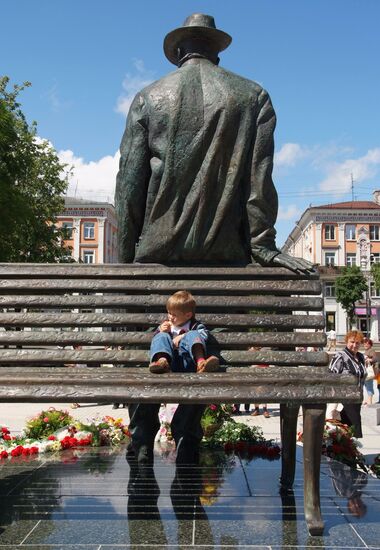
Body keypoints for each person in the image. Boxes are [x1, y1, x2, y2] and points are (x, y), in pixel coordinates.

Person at [115, 12, 314, 466]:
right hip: (226, 256)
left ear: (180, 51)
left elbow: (129, 184)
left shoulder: (149, 97)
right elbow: (259, 182)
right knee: (209, 346)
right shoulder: (253, 95)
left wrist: (127, 260)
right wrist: (262, 245)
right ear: (217, 50)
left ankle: (143, 431)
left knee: (145, 347)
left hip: (156, 254)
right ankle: (187, 429)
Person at [149, 290, 219, 374]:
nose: (170, 317)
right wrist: (160, 331)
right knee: (161, 336)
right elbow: (156, 342)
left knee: (193, 334)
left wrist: (183, 336)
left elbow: (204, 335)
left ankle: (201, 364)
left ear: (188, 315)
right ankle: (162, 363)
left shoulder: (194, 326)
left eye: (174, 315)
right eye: (169, 313)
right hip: (171, 362)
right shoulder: (166, 326)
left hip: (189, 361)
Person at [328, 330, 366, 437]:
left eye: (357, 343)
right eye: (352, 342)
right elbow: (331, 375)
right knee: (353, 426)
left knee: (349, 427)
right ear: (346, 342)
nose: (354, 345)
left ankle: (348, 450)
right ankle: (350, 450)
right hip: (345, 397)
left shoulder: (361, 357)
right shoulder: (340, 356)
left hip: (357, 398)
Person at [362, 337, 377, 406]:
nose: (365, 345)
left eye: (367, 344)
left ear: (370, 345)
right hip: (366, 371)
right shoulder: (367, 351)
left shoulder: (371, 350)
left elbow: (375, 359)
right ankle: (367, 400)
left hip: (369, 371)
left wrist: (369, 360)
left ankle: (370, 401)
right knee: (366, 385)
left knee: (369, 386)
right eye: (364, 343)